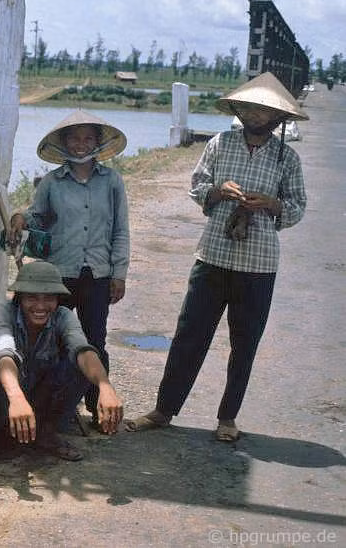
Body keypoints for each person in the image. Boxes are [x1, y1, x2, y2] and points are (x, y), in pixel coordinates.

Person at [125, 71, 307, 442]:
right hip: (212, 256)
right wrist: (219, 191)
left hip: (258, 264)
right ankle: (163, 410)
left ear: (278, 117)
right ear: (238, 110)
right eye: (249, 108)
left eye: (264, 110)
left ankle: (227, 418)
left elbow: (297, 207)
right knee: (189, 335)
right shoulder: (220, 144)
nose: (256, 115)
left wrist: (271, 204)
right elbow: (198, 186)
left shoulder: (287, 158)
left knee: (244, 344)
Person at [8, 110, 129, 428]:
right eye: (74, 138)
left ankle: (98, 406)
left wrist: (119, 273)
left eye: (87, 138)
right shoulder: (52, 182)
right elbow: (38, 218)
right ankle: (52, 407)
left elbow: (120, 230)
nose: (80, 144)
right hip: (58, 274)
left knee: (95, 339)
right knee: (52, 339)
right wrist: (21, 218)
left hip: (97, 274)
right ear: (63, 143)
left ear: (97, 142)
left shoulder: (112, 182)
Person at [0, 260, 124, 467]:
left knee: (80, 368)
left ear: (58, 300)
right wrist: (17, 398)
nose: (40, 306)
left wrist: (105, 386)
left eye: (48, 298)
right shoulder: (3, 311)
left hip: (38, 397)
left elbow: (83, 350)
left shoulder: (63, 316)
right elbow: (4, 355)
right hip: (1, 399)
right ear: (19, 298)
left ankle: (46, 433)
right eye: (32, 298)